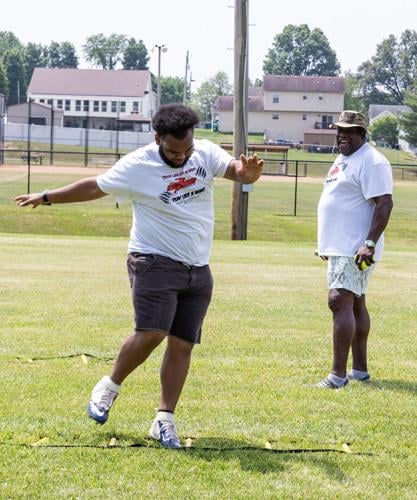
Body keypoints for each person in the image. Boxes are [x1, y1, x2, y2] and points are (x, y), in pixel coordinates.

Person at [15, 104, 264, 448]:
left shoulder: (203, 152)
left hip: (198, 266)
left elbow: (237, 171)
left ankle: (164, 420)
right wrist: (46, 196)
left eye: (187, 150)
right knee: (152, 333)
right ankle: (109, 386)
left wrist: (248, 174)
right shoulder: (138, 165)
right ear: (157, 138)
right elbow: (93, 187)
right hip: (153, 259)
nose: (182, 157)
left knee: (182, 343)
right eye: (175, 152)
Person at [316, 110, 393, 389]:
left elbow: (384, 203)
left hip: (356, 247)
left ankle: (337, 377)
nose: (342, 135)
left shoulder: (372, 162)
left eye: (349, 131)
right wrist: (327, 242)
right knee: (356, 302)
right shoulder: (344, 158)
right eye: (339, 130)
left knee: (339, 300)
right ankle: (359, 370)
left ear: (362, 134)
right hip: (342, 245)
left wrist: (369, 243)